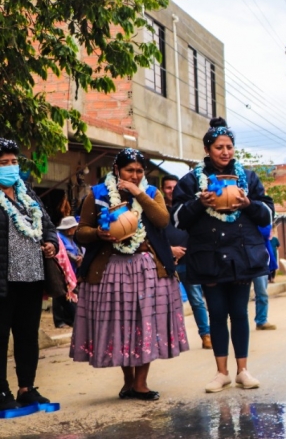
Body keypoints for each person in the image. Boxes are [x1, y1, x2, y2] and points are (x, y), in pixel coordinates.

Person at [70, 148, 187, 400]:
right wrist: (98, 234)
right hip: (113, 268)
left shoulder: (152, 192)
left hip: (147, 268)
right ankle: (128, 381)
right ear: (116, 170)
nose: (134, 175)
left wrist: (139, 194)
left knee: (146, 324)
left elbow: (162, 220)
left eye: (139, 171)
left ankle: (142, 383)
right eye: (129, 170)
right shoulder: (98, 194)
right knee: (122, 325)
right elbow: (81, 231)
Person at [173, 118, 275, 393]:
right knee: (217, 313)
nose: (225, 152)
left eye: (229, 146)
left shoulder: (249, 178)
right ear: (208, 149)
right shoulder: (192, 180)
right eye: (219, 147)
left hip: (242, 255)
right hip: (209, 256)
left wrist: (248, 203)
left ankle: (243, 370)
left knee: (239, 313)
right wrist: (199, 203)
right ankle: (221, 373)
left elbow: (267, 214)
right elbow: (177, 220)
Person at [0, 139, 59, 410]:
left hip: (32, 278)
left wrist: (50, 243)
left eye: (13, 162)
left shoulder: (27, 194)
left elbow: (48, 225)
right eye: (4, 163)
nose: (11, 167)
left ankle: (27, 388)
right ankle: (2, 392)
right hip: (4, 280)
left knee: (27, 335)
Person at [161, 174, 211, 349]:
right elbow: (152, 236)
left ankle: (206, 335)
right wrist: (169, 251)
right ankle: (173, 340)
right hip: (166, 262)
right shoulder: (158, 211)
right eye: (168, 187)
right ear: (163, 190)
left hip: (189, 261)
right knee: (169, 304)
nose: (172, 190)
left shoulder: (188, 208)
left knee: (196, 300)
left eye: (175, 187)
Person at [52, 216, 81, 328]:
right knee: (59, 294)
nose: (75, 230)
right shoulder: (59, 237)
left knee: (70, 294)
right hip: (61, 269)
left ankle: (69, 319)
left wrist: (79, 257)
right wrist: (75, 258)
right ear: (69, 228)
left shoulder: (70, 237)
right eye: (74, 227)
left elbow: (76, 249)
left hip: (72, 269)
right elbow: (63, 252)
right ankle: (59, 320)